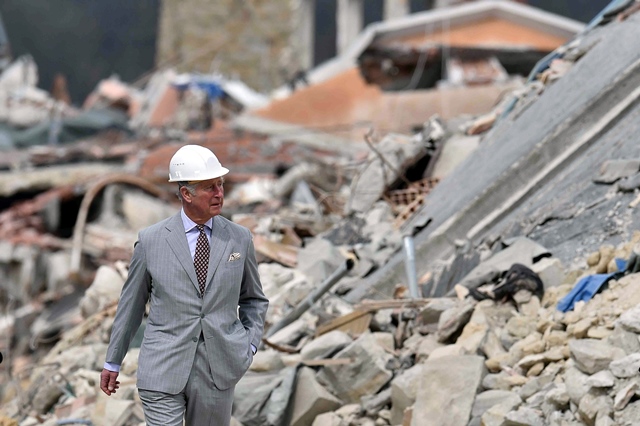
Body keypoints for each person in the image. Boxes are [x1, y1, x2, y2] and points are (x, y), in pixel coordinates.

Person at [100, 144, 269, 426]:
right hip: (162, 368)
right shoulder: (151, 241)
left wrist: (248, 346)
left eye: (220, 184)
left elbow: (254, 300)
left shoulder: (239, 239)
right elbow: (131, 305)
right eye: (209, 187)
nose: (219, 193)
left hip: (218, 370)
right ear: (186, 194)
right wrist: (113, 362)